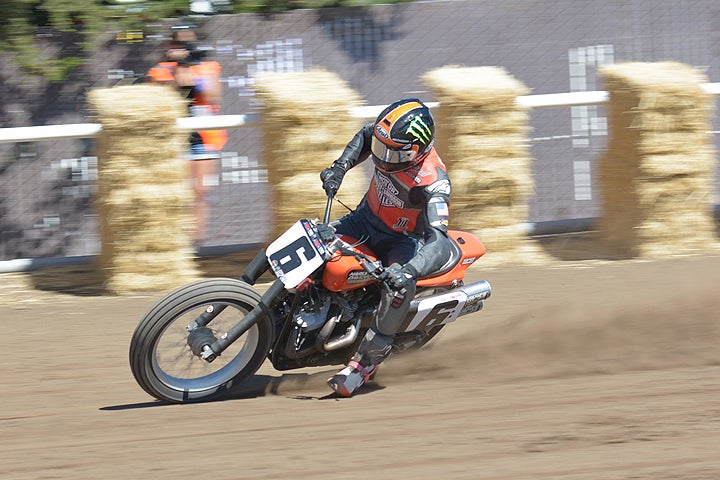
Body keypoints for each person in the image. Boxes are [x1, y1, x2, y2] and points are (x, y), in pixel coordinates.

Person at [320, 98, 453, 397]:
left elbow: (440, 242)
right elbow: (368, 135)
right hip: (363, 220)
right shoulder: (389, 143)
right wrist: (340, 168)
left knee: (397, 289)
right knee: (315, 240)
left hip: (401, 241)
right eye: (380, 150)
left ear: (414, 152)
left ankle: (365, 364)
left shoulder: (434, 183)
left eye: (388, 153)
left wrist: (409, 271)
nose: (379, 158)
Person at [146, 27, 227, 245]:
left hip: (204, 140)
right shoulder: (161, 69)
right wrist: (178, 70)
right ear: (170, 46)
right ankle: (175, 242)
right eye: (180, 45)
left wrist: (193, 70)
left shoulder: (207, 66)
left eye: (190, 45)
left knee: (200, 193)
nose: (186, 49)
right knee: (177, 194)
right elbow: (159, 91)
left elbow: (213, 94)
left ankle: (194, 245)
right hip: (173, 141)